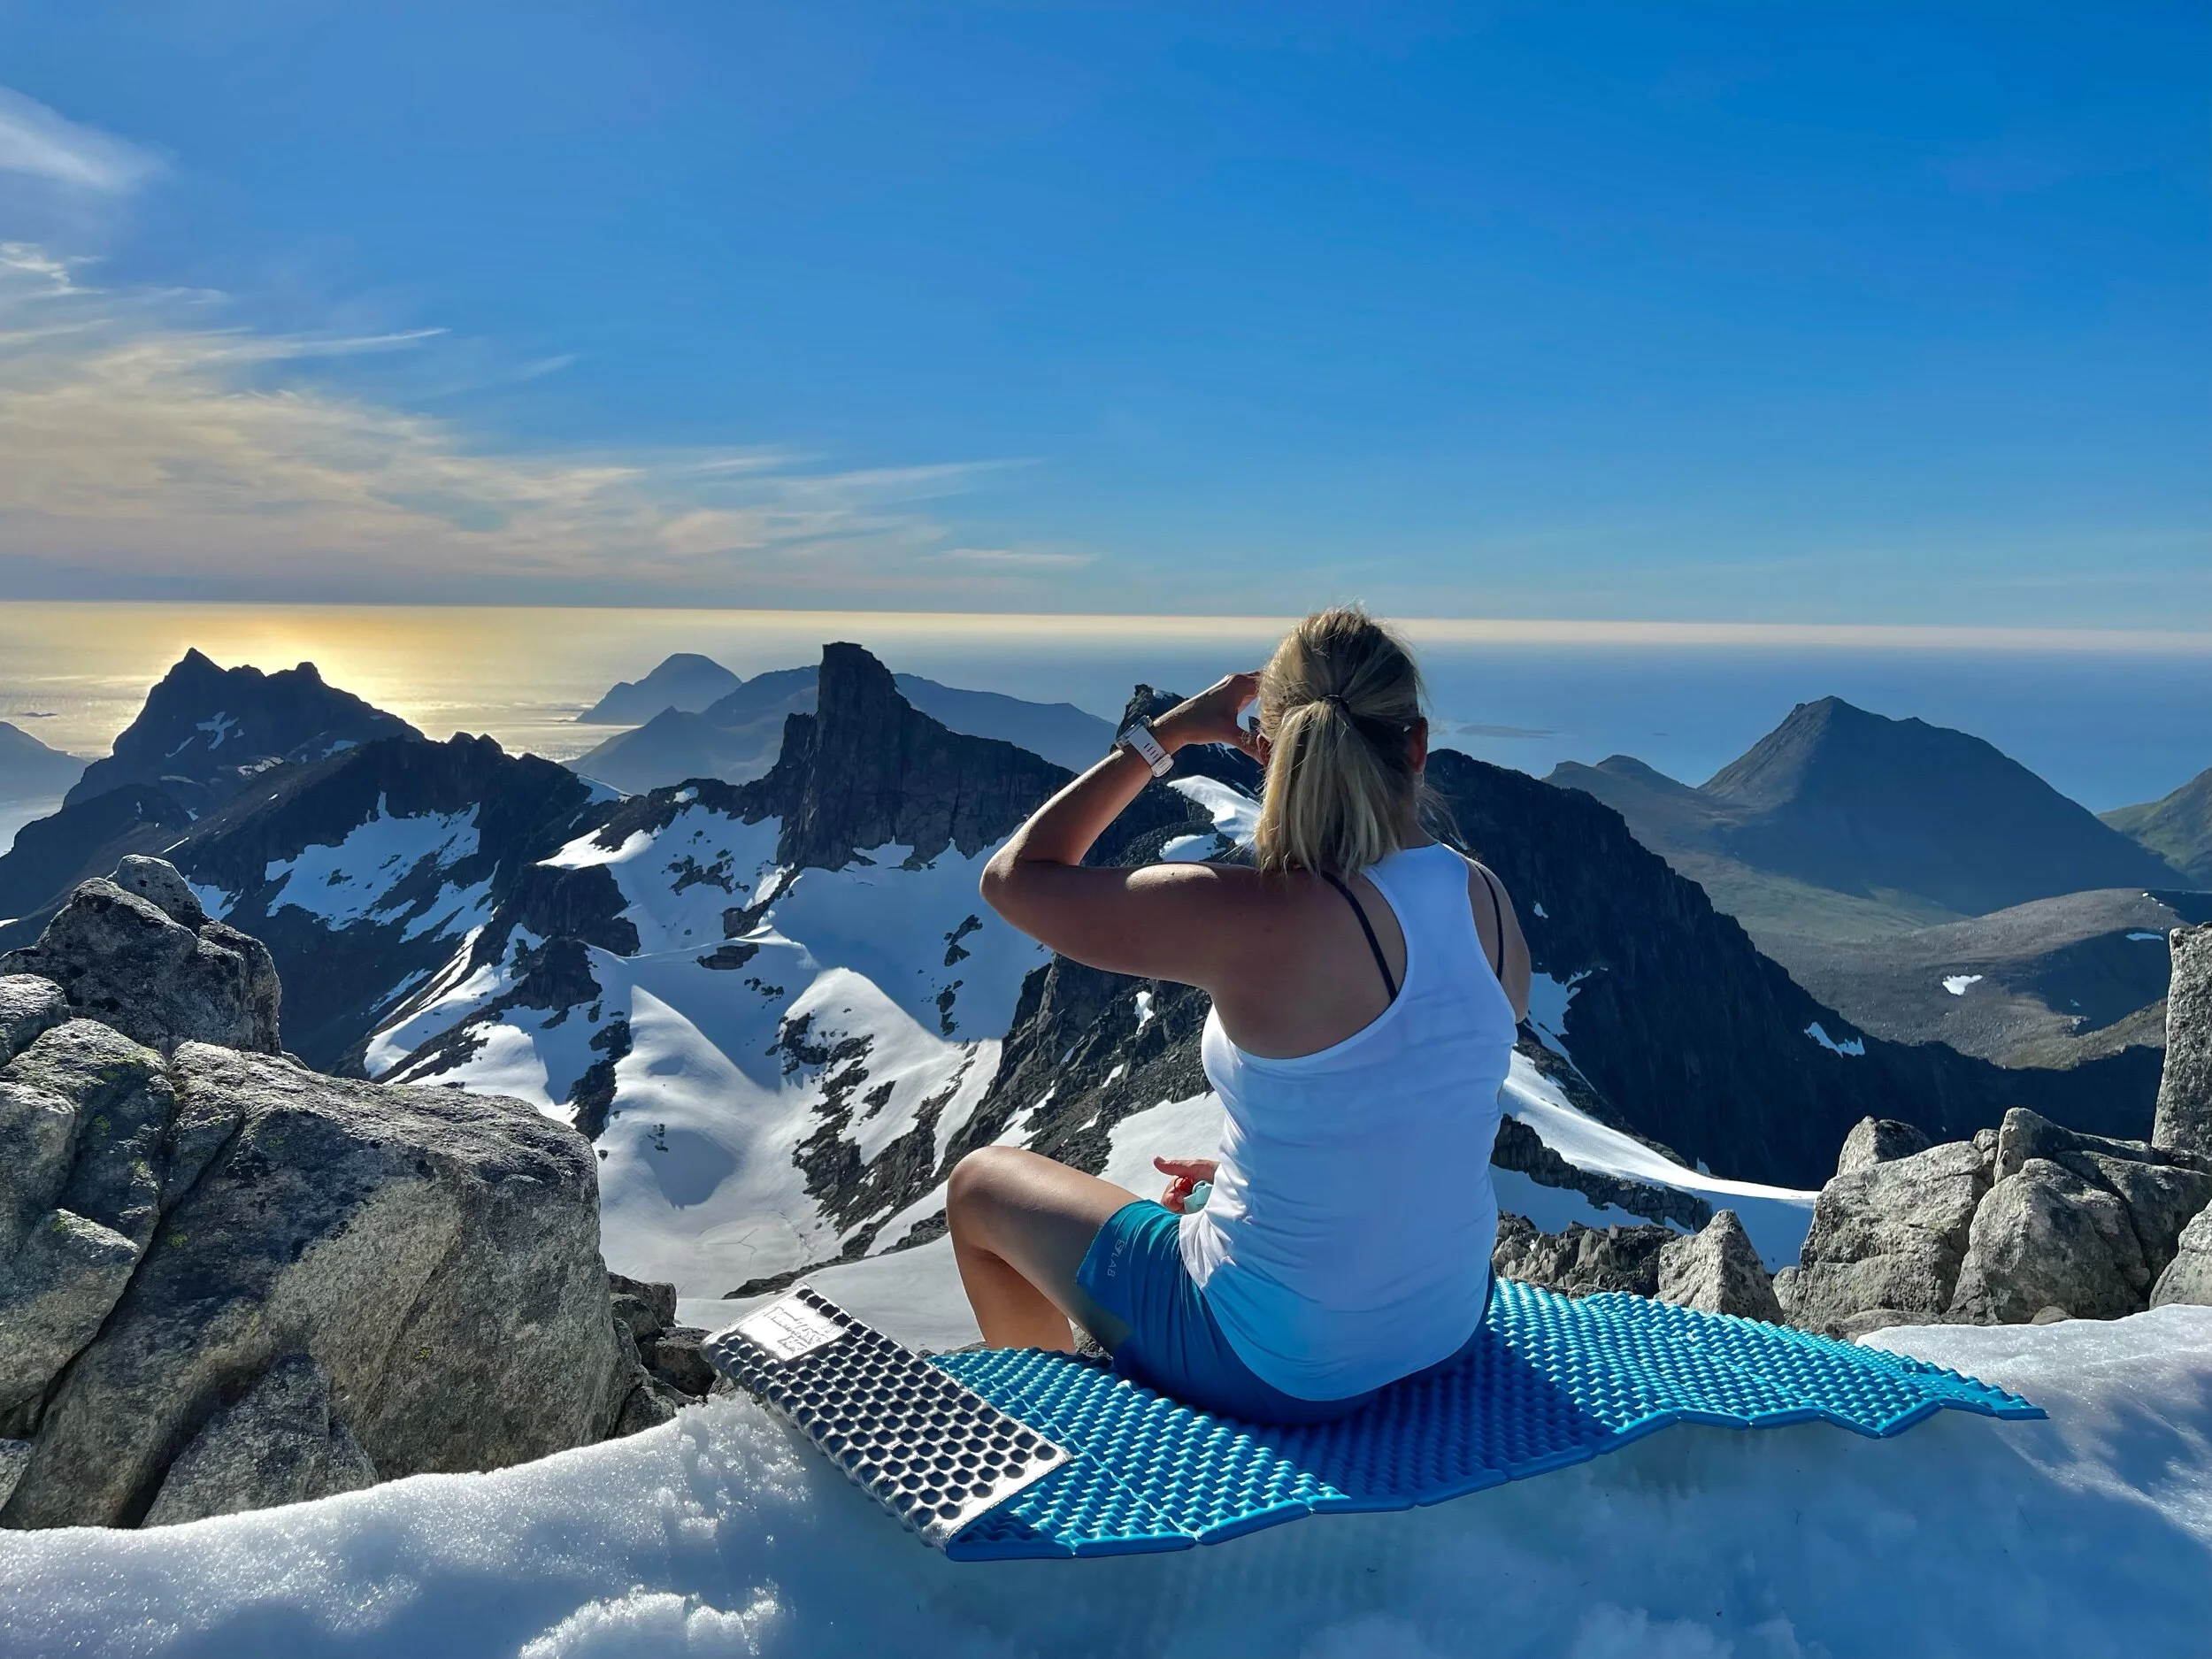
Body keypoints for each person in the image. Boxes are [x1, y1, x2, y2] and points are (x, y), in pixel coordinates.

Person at [948, 606, 1532, 1423]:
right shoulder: (1489, 900)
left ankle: (1051, 1431)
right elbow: (1419, 1087)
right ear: (1417, 745)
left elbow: (1013, 878)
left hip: (1278, 1362)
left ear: (1275, 753)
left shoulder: (1250, 911)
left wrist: (1171, 732)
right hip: (1449, 1325)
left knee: (979, 1188)